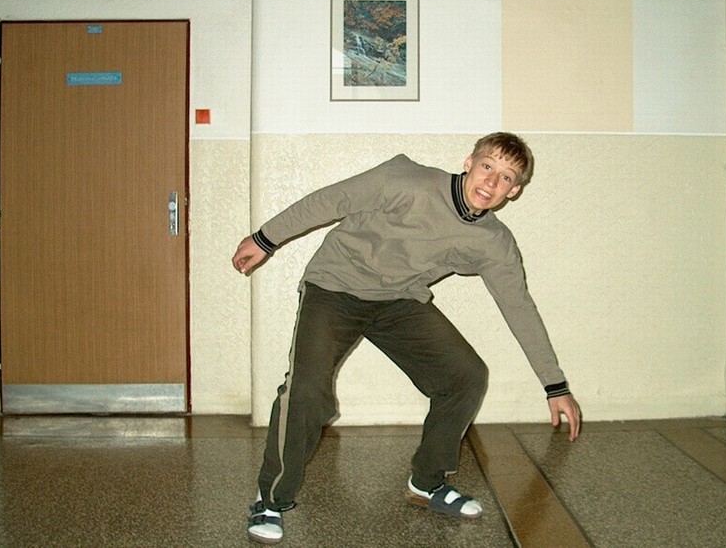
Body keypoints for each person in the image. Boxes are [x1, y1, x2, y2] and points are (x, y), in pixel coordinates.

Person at [231, 132, 581, 544]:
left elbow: (518, 307)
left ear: (515, 190)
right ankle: (271, 499)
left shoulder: (494, 242)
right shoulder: (406, 180)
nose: (491, 182)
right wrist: (265, 238)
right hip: (335, 287)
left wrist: (554, 385)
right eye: (487, 166)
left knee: (465, 375)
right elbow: (332, 200)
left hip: (397, 301)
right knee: (306, 391)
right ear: (469, 162)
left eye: (506, 177)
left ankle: (426, 482)